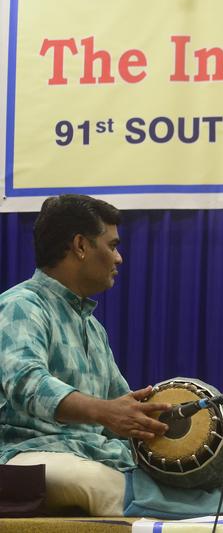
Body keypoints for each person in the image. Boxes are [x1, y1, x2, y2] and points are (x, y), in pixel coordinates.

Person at [0, 195, 170, 515]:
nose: (118, 258)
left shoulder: (92, 327)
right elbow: (27, 383)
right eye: (112, 245)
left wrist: (176, 425)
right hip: (26, 456)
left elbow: (121, 408)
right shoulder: (21, 306)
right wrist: (104, 412)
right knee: (95, 482)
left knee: (179, 478)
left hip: (93, 455)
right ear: (80, 245)